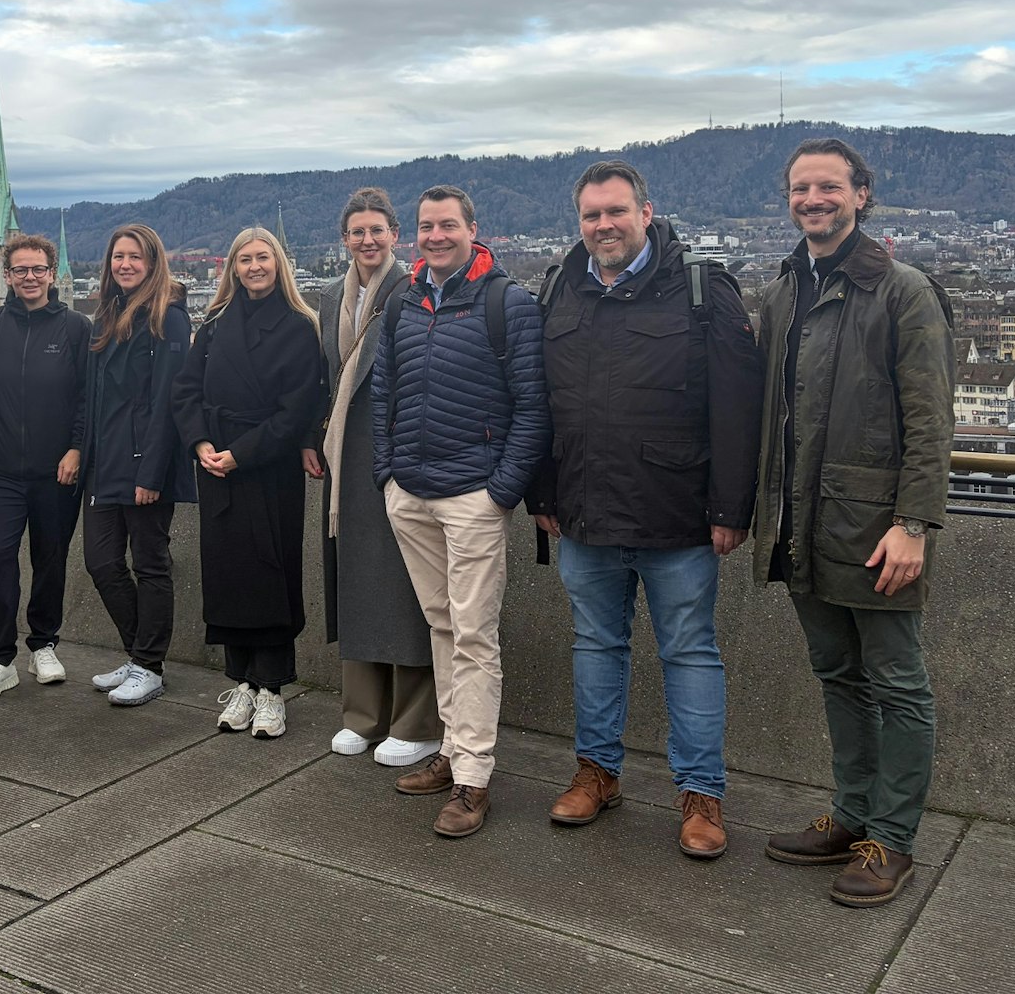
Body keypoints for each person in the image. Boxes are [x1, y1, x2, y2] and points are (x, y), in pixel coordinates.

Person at [528, 161, 763, 858]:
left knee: (689, 652)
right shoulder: (558, 288)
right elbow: (538, 401)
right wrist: (542, 492)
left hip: (677, 512)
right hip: (584, 509)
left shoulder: (701, 288)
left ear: (646, 213)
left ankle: (701, 796)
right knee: (595, 646)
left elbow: (737, 407)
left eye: (615, 212)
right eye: (591, 215)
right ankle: (597, 773)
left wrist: (731, 507)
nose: (603, 225)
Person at [754, 138, 953, 909]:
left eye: (829, 187)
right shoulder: (783, 293)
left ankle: (891, 840)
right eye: (801, 188)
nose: (813, 199)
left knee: (898, 685)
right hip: (802, 523)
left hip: (875, 528)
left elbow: (930, 420)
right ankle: (852, 815)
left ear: (861, 194)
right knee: (838, 674)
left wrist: (915, 522)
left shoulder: (903, 291)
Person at [372, 184, 549, 838]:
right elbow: (383, 391)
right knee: (442, 626)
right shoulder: (404, 299)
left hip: (472, 494)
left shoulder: (508, 303)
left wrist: (499, 491)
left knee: (473, 634)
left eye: (448, 225)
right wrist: (388, 474)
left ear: (473, 229)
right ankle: (451, 749)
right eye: (426, 226)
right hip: (411, 491)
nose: (436, 236)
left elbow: (533, 408)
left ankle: (473, 775)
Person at [309, 188, 443, 767]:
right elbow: (326, 378)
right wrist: (313, 438)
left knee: (407, 587)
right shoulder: (330, 297)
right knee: (357, 582)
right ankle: (362, 714)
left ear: (395, 235)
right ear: (345, 239)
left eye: (377, 230)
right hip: (345, 456)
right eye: (357, 231)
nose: (367, 240)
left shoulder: (413, 291)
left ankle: (417, 721)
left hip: (396, 453)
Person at [173, 226, 324, 739]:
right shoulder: (215, 323)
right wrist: (200, 443)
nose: (254, 266)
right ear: (232, 269)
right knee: (229, 577)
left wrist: (242, 454)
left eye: (263, 257)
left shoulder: (300, 326)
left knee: (270, 574)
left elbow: (297, 410)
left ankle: (272, 688)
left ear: (278, 263)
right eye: (244, 259)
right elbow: (185, 390)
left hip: (268, 467)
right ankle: (241, 681)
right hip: (217, 462)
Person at [0, 234, 91, 702]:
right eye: (20, 270)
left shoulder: (75, 327)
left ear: (52, 273)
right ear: (7, 275)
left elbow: (86, 398)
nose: (30, 277)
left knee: (50, 559)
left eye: (38, 269)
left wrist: (76, 448)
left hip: (56, 470)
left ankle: (43, 644)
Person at [83, 223, 194, 708]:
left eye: (135, 257)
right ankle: (139, 655)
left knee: (150, 564)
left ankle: (148, 664)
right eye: (118, 256)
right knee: (101, 562)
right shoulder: (107, 313)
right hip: (104, 463)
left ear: (152, 263)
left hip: (144, 463)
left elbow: (169, 400)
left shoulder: (169, 317)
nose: (125, 264)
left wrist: (151, 473)